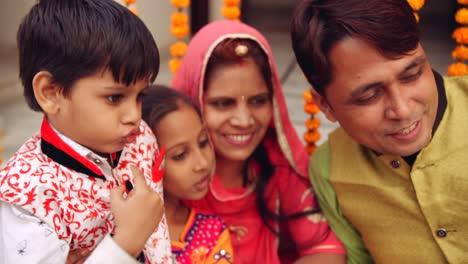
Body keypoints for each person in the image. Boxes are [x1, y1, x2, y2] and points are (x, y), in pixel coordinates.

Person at [290, 0, 468, 263]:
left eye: (412, 74)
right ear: (325, 105)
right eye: (370, 96)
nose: (402, 110)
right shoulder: (329, 169)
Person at [0, 0, 172, 263]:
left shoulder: (140, 138)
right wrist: (125, 243)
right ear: (51, 92)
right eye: (115, 98)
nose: (134, 116)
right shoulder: (28, 197)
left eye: (140, 96)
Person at [171, 20, 346, 263]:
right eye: (224, 103)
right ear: (194, 98)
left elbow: (325, 248)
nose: (244, 121)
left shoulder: (277, 163)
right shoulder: (169, 175)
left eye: (258, 101)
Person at [142, 84, 234, 263]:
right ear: (143, 160)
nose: (202, 163)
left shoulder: (210, 234)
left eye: (203, 142)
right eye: (180, 155)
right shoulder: (113, 234)